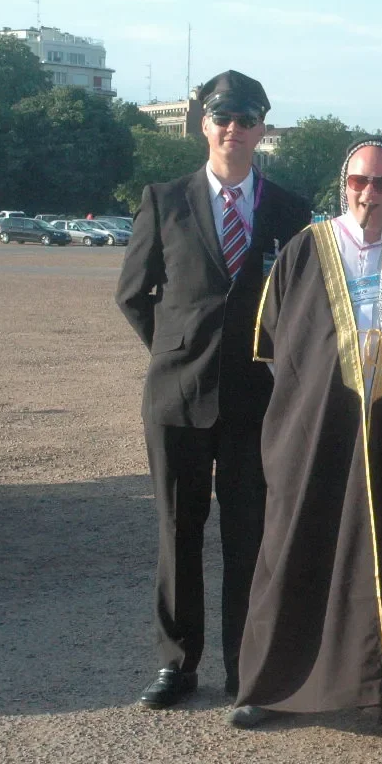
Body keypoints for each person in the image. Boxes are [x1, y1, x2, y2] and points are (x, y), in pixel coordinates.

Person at [230, 136, 382, 733]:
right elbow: (278, 349)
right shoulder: (306, 250)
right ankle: (272, 686)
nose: (368, 194)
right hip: (313, 436)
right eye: (358, 181)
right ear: (344, 184)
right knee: (294, 549)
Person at [116, 70, 311, 709]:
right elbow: (133, 294)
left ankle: (245, 670)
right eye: (222, 117)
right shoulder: (165, 199)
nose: (234, 129)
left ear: (262, 128)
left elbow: (302, 304)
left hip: (258, 398)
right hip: (177, 394)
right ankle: (177, 664)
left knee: (250, 532)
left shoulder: (289, 210)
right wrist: (175, 348)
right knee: (179, 528)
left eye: (247, 118)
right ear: (203, 123)